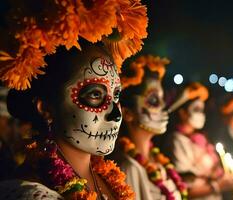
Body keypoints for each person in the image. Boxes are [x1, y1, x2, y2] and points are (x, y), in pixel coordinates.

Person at [0, 0, 148, 199]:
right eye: (95, 95)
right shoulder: (29, 193)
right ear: (46, 108)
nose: (115, 114)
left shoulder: (110, 179)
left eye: (117, 95)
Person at [114, 55, 187, 200]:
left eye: (162, 99)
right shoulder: (130, 168)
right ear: (128, 113)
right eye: (153, 100)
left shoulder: (157, 159)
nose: (163, 107)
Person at [164, 83, 233, 200]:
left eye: (202, 110)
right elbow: (184, 189)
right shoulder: (177, 141)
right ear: (182, 113)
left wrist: (231, 180)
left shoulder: (201, 138)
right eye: (196, 109)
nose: (201, 114)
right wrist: (218, 186)